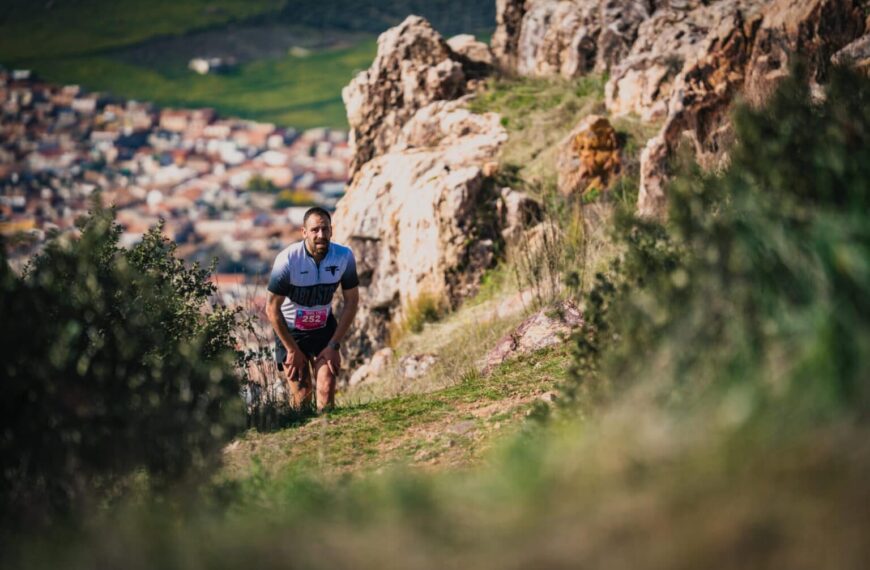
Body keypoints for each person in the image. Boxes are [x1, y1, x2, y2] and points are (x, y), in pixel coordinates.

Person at [266, 207, 359, 412]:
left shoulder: (344, 256)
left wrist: (334, 344)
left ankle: (329, 439)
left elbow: (352, 301)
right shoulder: (288, 259)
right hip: (292, 332)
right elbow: (272, 309)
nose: (321, 235)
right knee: (302, 397)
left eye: (325, 229)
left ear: (331, 231)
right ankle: (301, 440)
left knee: (326, 391)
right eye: (315, 230)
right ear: (304, 232)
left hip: (323, 329)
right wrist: (291, 349)